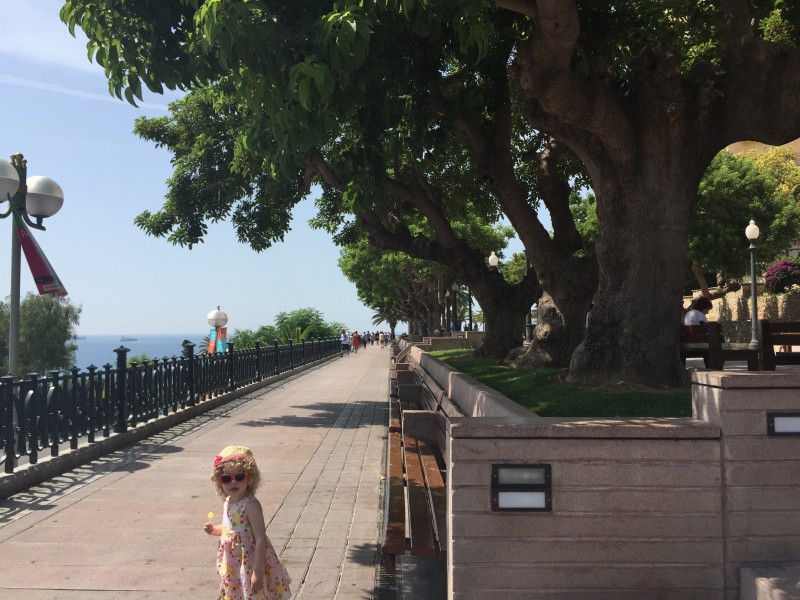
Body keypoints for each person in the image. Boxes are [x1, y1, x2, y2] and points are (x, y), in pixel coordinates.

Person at [204, 445, 292, 600]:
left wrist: (257, 572)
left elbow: (260, 538)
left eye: (239, 477)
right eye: (226, 478)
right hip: (233, 564)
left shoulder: (251, 505)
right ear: (220, 482)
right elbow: (228, 529)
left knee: (253, 593)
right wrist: (213, 530)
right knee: (237, 592)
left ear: (249, 477)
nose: (233, 483)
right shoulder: (228, 501)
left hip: (249, 562)